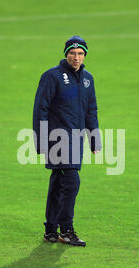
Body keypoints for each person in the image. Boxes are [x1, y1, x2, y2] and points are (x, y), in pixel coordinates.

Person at [33, 35, 101, 247]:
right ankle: (67, 230)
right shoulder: (51, 76)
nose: (76, 57)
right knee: (71, 182)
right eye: (72, 53)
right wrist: (41, 140)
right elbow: (40, 109)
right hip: (57, 139)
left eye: (80, 54)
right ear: (66, 54)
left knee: (59, 183)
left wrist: (94, 140)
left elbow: (91, 110)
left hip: (76, 140)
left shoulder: (88, 79)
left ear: (85, 55)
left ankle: (51, 230)